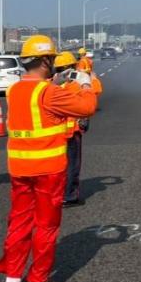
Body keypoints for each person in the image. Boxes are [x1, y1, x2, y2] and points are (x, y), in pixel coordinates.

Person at [0, 36, 97, 282]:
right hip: (48, 170)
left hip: (19, 168)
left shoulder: (14, 90)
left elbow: (35, 101)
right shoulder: (50, 93)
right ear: (44, 61)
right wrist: (84, 82)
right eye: (52, 60)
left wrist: (54, 84)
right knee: (45, 225)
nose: (54, 64)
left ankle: (12, 280)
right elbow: (87, 106)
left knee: (18, 223)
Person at [52, 51, 91, 207]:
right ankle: (69, 195)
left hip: (52, 132)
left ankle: (55, 193)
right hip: (71, 131)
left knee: (56, 165)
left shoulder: (50, 84)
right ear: (72, 66)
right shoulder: (75, 85)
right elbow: (86, 104)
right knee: (72, 164)